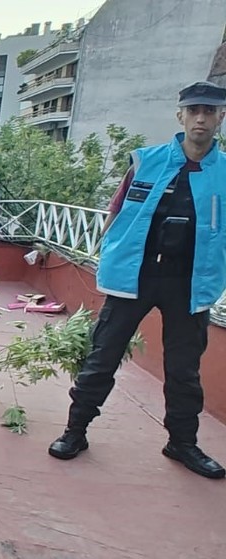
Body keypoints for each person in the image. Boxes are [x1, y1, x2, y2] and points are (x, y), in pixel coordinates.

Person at [48, 81, 226, 479]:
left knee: (184, 370)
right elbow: (115, 212)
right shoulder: (147, 162)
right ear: (180, 115)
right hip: (136, 275)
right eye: (194, 110)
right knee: (102, 358)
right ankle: (75, 431)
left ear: (221, 117)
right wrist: (105, 258)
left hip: (190, 283)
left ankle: (182, 443)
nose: (200, 118)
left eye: (209, 111)